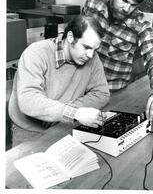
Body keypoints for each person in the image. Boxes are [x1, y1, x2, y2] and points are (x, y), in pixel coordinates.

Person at [82, 0, 153, 121]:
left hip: (113, 96)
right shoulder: (92, 4)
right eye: (124, 0)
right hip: (82, 89)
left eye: (134, 5)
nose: (127, 9)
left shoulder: (140, 24)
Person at [9, 15, 110, 146]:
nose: (91, 55)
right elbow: (29, 100)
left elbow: (102, 94)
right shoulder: (36, 53)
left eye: (94, 49)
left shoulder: (91, 57)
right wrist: (73, 113)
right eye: (86, 47)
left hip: (64, 125)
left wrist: (67, 111)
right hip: (30, 132)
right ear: (70, 37)